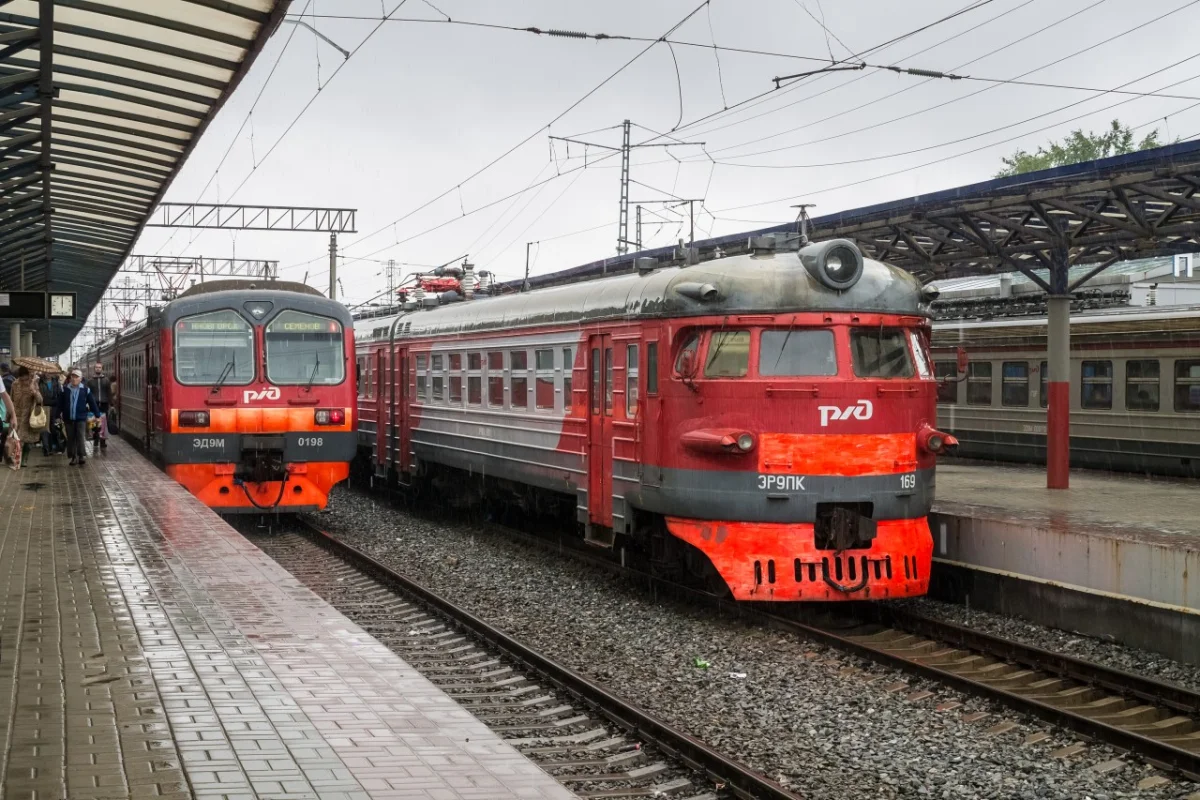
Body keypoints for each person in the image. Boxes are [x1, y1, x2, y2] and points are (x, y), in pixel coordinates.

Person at [57, 368, 99, 466]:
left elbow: (92, 403)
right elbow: (60, 404)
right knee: (71, 438)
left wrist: (97, 415)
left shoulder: (85, 390)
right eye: (73, 377)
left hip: (81, 418)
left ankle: (81, 456)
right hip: (68, 418)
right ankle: (73, 457)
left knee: (80, 437)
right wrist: (57, 415)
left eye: (76, 377)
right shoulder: (65, 389)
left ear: (80, 379)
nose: (74, 379)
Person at [10, 366, 43, 468]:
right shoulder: (15, 384)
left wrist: (34, 391)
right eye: (21, 378)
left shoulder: (33, 384)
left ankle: (25, 458)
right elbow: (11, 399)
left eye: (25, 377)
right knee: (17, 439)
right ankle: (17, 459)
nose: (24, 380)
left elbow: (40, 400)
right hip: (17, 416)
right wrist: (9, 415)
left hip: (29, 416)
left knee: (28, 441)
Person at [87, 364, 110, 452]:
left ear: (102, 369)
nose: (98, 369)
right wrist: (88, 403)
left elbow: (109, 392)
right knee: (94, 422)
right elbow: (88, 393)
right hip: (94, 404)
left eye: (99, 367)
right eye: (96, 367)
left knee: (103, 423)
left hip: (104, 404)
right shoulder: (90, 381)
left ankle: (102, 441)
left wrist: (110, 403)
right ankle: (95, 438)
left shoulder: (106, 380)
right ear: (94, 369)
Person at [39, 371, 62, 455]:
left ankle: (54, 445)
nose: (48, 374)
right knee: (44, 427)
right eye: (46, 372)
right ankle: (46, 448)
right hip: (44, 406)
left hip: (54, 407)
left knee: (53, 426)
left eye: (50, 372)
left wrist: (59, 408)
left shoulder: (56, 382)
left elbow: (60, 395)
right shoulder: (40, 382)